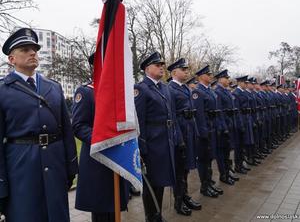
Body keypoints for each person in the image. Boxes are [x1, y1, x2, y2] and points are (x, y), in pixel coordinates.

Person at [0, 28, 78, 222]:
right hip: (21, 168)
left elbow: (67, 131)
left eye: (34, 49)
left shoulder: (53, 87)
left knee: (57, 215)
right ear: (11, 59)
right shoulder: (3, 90)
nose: (32, 52)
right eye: (25, 49)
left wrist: (70, 168)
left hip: (55, 164)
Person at [72, 53, 130, 222]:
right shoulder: (86, 92)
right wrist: (105, 141)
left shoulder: (119, 93)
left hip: (119, 156)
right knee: (101, 208)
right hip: (98, 158)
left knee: (116, 204)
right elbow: (78, 126)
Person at [134, 51, 177, 222]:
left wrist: (175, 138)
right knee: (151, 183)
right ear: (147, 68)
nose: (161, 68)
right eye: (157, 65)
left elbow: (171, 116)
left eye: (162, 65)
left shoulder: (164, 88)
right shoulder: (141, 89)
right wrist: (142, 149)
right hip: (151, 144)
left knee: (161, 181)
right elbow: (139, 122)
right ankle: (151, 217)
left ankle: (158, 214)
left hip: (165, 141)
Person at [167, 58, 201, 216]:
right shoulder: (170, 89)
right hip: (180, 133)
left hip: (189, 131)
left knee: (186, 167)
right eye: (183, 69)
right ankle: (178, 201)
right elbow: (172, 117)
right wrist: (178, 139)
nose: (187, 71)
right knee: (180, 169)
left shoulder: (186, 88)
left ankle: (185, 195)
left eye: (187, 69)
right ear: (174, 72)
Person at [192, 65, 224, 198]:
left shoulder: (209, 90)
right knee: (204, 159)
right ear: (201, 76)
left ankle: (209, 182)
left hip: (212, 127)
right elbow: (199, 114)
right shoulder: (198, 91)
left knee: (210, 157)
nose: (211, 76)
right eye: (208, 74)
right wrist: (203, 132)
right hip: (204, 129)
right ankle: (204, 186)